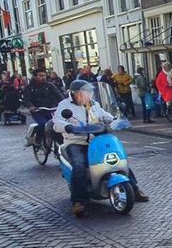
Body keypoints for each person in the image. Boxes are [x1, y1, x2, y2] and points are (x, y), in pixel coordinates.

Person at [52, 80, 148, 217]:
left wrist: (116, 120)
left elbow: (104, 115)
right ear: (77, 93)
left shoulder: (93, 104)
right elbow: (57, 123)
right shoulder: (64, 106)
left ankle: (134, 189)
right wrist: (68, 127)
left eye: (91, 92)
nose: (90, 94)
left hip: (95, 140)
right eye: (87, 92)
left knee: (117, 159)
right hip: (76, 142)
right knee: (79, 165)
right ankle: (78, 201)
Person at [22, 69, 63, 146]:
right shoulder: (29, 87)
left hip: (50, 110)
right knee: (43, 124)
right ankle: (38, 138)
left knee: (56, 124)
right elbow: (26, 99)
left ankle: (59, 141)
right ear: (35, 77)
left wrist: (64, 103)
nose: (43, 77)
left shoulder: (50, 85)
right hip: (37, 111)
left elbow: (59, 95)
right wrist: (31, 106)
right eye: (40, 76)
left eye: (44, 75)